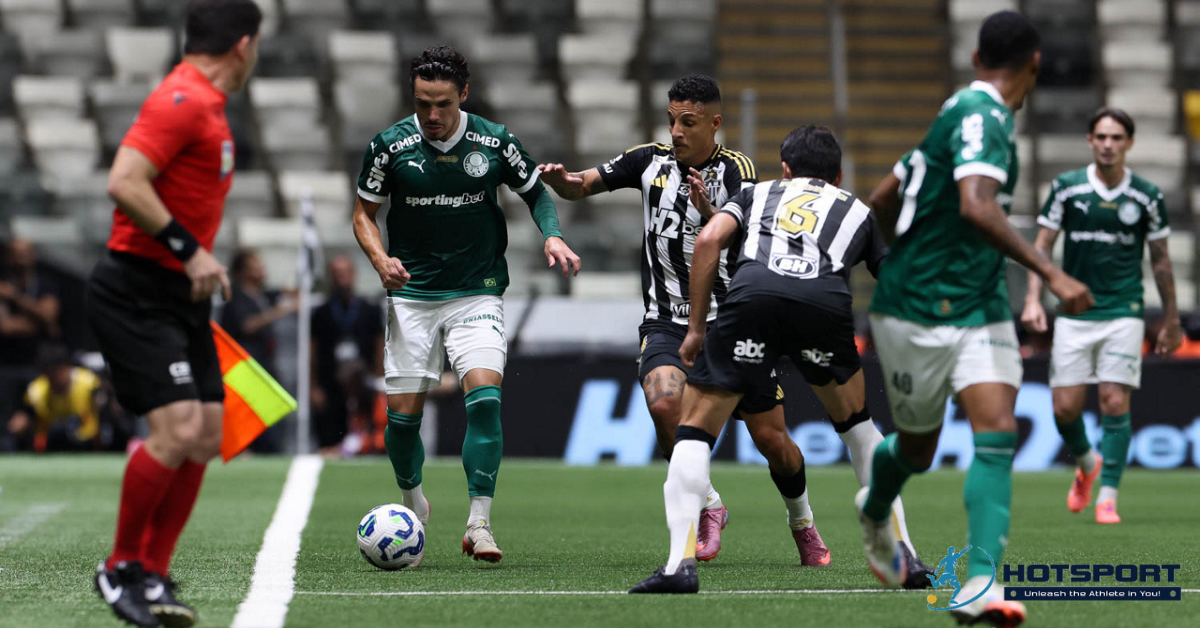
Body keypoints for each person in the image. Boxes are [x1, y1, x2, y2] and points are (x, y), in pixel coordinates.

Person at [542, 75, 928, 578]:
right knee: (667, 405)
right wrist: (559, 183)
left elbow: (738, 241)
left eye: (689, 122)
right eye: (672, 120)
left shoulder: (743, 175)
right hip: (670, 319)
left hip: (735, 313)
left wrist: (709, 218)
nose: (677, 131)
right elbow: (582, 184)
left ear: (715, 125)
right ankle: (712, 507)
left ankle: (800, 521)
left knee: (772, 442)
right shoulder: (648, 161)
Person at [861, 11, 1092, 627]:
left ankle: (982, 583)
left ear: (975, 58)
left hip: (979, 304)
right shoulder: (984, 116)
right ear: (1036, 64)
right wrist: (1052, 273)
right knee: (917, 450)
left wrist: (906, 253)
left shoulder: (951, 117)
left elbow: (882, 199)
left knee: (996, 430)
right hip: (916, 311)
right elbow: (975, 206)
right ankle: (875, 505)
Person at [629, 125, 898, 593]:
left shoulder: (752, 187)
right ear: (837, 175)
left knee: (772, 441)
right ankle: (707, 515)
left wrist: (697, 325)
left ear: (786, 169)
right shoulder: (854, 209)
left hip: (745, 311)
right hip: (799, 309)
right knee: (856, 426)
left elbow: (715, 237)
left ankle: (801, 523)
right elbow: (891, 274)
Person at [352, 46, 581, 564]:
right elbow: (363, 214)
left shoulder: (494, 141)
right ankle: (414, 504)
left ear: (464, 95)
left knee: (485, 397)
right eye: (422, 103)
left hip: (477, 289)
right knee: (402, 422)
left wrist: (551, 235)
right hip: (410, 294)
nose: (432, 116)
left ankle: (479, 524)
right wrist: (379, 257)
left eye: (443, 104)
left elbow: (538, 193)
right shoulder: (389, 146)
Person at [85, 1, 261, 626]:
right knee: (177, 431)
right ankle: (121, 568)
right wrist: (190, 252)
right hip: (136, 289)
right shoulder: (180, 100)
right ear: (244, 45)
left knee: (209, 432)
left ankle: (155, 577)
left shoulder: (208, 106)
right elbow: (124, 180)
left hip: (178, 296)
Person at [1020, 107, 1181, 524]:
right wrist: (1034, 298)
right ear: (1090, 141)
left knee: (1114, 400)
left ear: (1129, 143)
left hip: (1124, 310)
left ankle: (1107, 495)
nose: (1108, 144)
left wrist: (1172, 318)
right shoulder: (1067, 189)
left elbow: (1161, 260)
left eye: (1116, 138)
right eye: (1101, 137)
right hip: (1075, 313)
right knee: (1065, 409)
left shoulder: (1146, 195)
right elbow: (1041, 247)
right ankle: (1088, 463)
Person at [220, 249, 296, 453]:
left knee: (272, 411)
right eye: (255, 266)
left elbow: (288, 293)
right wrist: (279, 311)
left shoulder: (261, 295)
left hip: (266, 361)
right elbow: (247, 325)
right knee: (251, 412)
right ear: (242, 271)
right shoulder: (235, 296)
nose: (261, 270)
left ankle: (269, 449)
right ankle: (248, 449)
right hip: (247, 365)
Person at [311, 255, 383, 456]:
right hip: (331, 383)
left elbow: (379, 344)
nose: (342, 278)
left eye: (345, 273)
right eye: (337, 274)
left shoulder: (369, 309)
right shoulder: (322, 312)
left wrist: (378, 378)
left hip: (363, 382)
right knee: (330, 432)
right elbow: (313, 351)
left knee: (364, 427)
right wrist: (313, 385)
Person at [6, 344, 102, 452]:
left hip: (85, 444)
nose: (53, 379)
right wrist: (22, 421)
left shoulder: (89, 384)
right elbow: (26, 416)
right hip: (49, 445)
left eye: (55, 373)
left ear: (66, 367)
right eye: (48, 375)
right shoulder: (36, 391)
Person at [0, 238, 62, 366]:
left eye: (24, 253)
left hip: (42, 362)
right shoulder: (2, 285)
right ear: (7, 257)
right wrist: (41, 324)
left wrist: (14, 296)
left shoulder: (46, 283)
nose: (20, 258)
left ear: (33, 255)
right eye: (15, 254)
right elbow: (5, 327)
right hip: (7, 364)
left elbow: (48, 316)